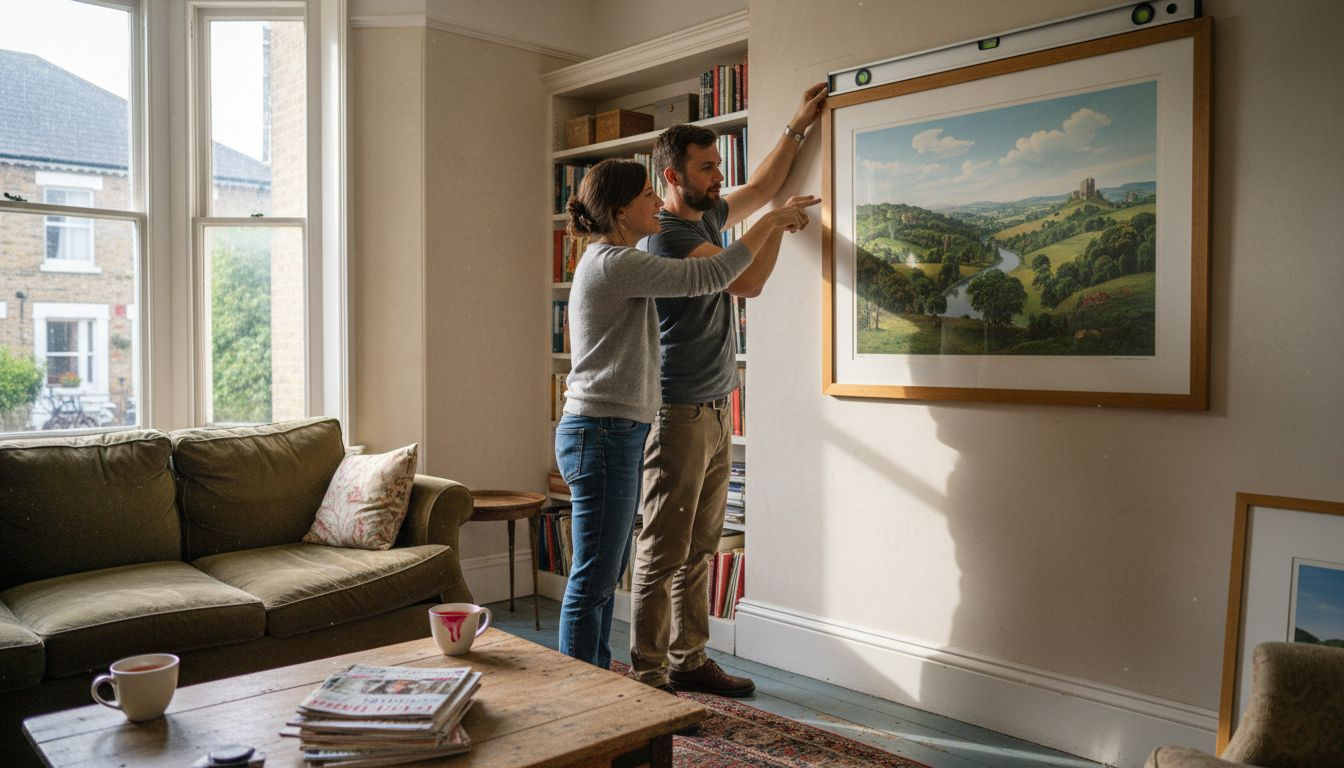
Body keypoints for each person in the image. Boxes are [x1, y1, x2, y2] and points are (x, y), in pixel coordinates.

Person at [556, 158, 813, 673]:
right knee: (595, 578)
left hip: (611, 431)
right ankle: (579, 693)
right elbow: (713, 275)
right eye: (648, 196)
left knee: (603, 575)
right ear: (621, 210)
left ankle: (594, 684)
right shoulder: (614, 262)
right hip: (601, 433)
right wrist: (769, 221)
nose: (657, 204)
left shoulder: (614, 258)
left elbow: (723, 257)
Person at [630, 83, 827, 697]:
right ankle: (649, 676)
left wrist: (797, 123)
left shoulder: (710, 211)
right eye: (707, 167)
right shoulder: (668, 237)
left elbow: (765, 187)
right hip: (678, 411)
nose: (719, 177)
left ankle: (690, 662)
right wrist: (772, 227)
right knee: (664, 548)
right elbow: (749, 284)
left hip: (715, 407)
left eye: (720, 166)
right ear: (673, 174)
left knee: (700, 547)